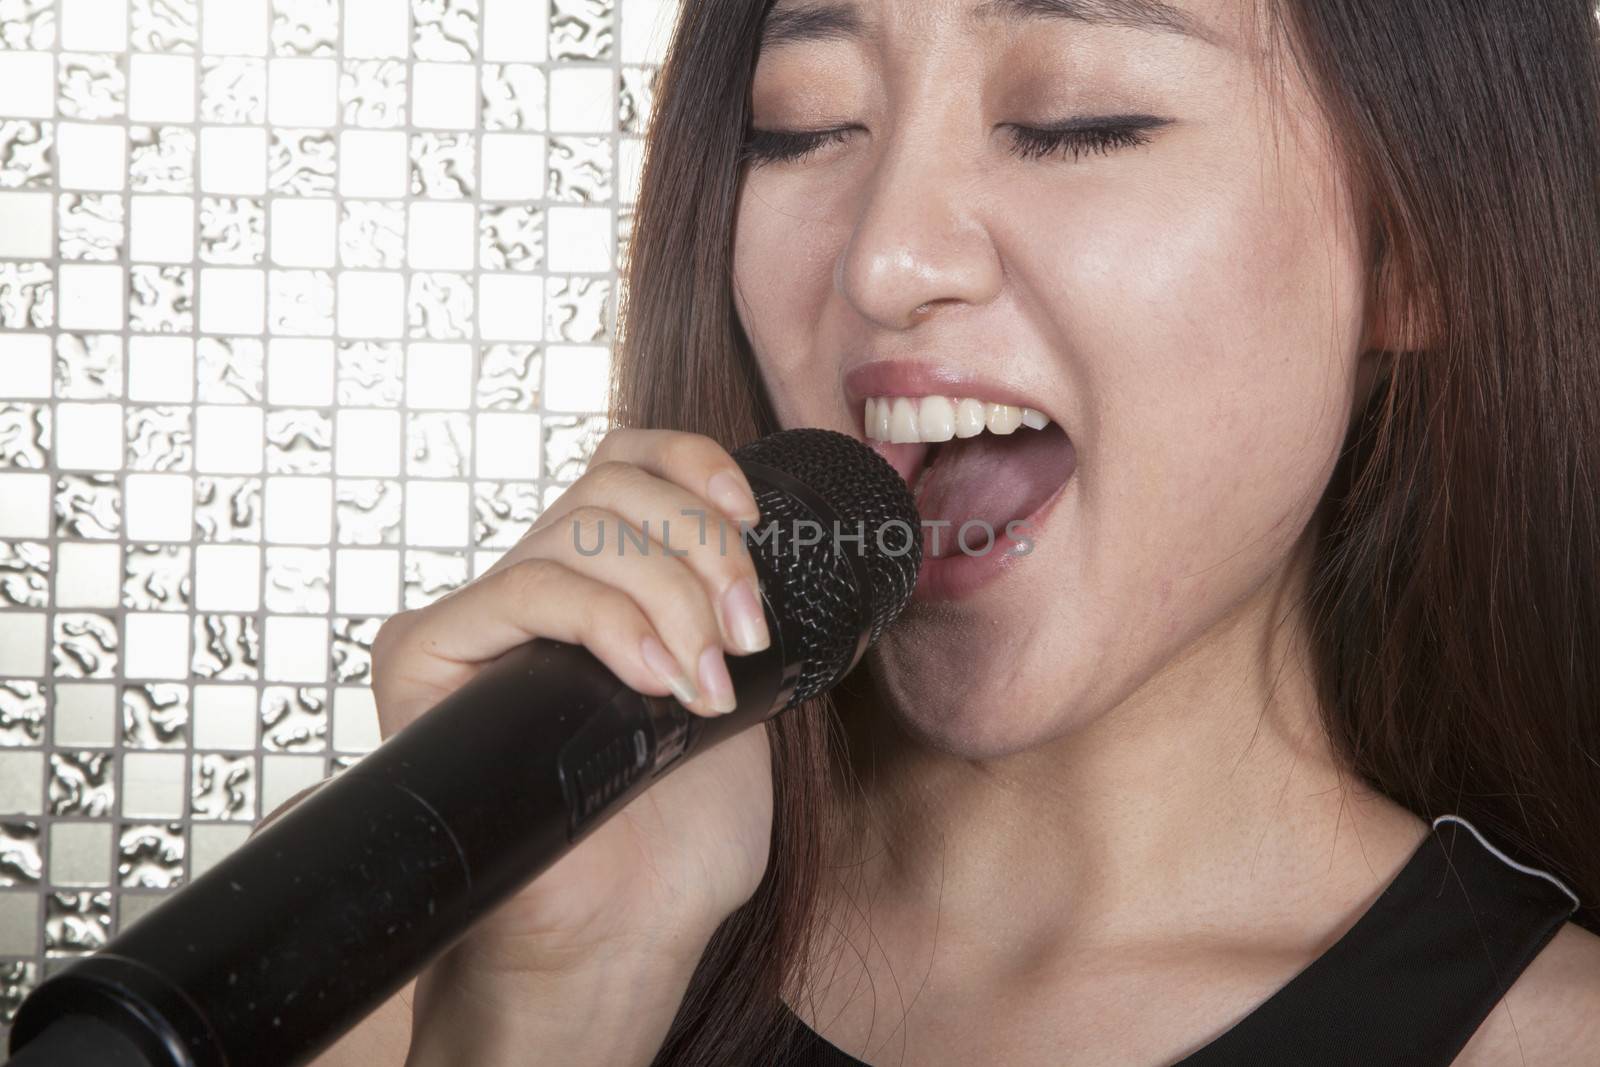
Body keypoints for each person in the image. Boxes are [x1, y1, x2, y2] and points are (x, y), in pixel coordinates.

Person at [292, 1, 1600, 1063]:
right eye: (803, 128)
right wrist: (547, 1012)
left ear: (1416, 245)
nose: (885, 261)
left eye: (1072, 120)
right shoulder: (420, 980)